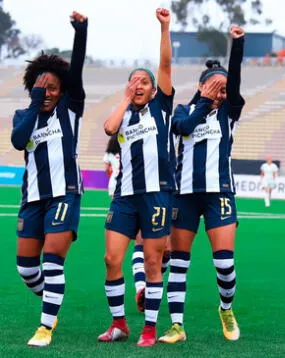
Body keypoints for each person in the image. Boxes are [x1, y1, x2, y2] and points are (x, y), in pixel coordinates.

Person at [158, 25, 246, 344]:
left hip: (219, 194)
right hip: (184, 196)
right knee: (179, 262)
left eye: (224, 91)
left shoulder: (229, 113)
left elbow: (234, 81)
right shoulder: (184, 110)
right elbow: (181, 128)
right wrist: (204, 104)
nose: (220, 94)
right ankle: (178, 326)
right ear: (201, 86)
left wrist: (237, 45)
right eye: (215, 89)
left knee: (224, 264)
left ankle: (225, 308)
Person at [97, 8, 174, 347]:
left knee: (154, 263)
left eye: (145, 82)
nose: (139, 85)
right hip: (125, 197)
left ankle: (149, 329)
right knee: (111, 258)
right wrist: (125, 99)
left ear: (155, 90)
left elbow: (165, 66)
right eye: (134, 82)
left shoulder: (162, 108)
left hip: (157, 195)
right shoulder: (125, 113)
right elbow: (109, 128)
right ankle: (119, 324)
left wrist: (165, 28)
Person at [12, 11, 87, 347]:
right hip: (32, 198)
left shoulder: (70, 108)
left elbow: (78, 69)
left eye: (54, 87)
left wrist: (80, 32)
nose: (49, 93)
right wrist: (33, 102)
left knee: (52, 262)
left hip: (64, 194)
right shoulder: (24, 115)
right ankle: (52, 299)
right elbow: (18, 141)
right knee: (27, 269)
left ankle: (45, 327)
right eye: (43, 88)